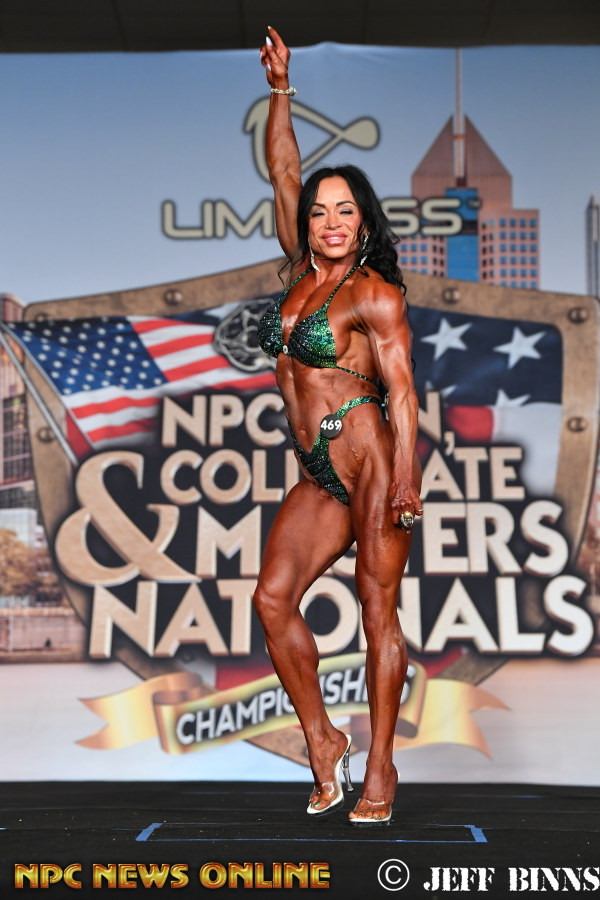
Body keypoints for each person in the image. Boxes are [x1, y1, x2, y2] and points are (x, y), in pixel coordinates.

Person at [253, 26, 423, 825]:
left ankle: (380, 764)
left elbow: (404, 392)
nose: (328, 220)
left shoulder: (373, 293)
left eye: (343, 211)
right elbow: (284, 168)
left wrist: (407, 478)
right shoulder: (297, 271)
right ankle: (323, 740)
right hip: (318, 472)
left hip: (372, 463)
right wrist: (281, 90)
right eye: (320, 211)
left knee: (375, 612)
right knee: (272, 600)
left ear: (362, 223)